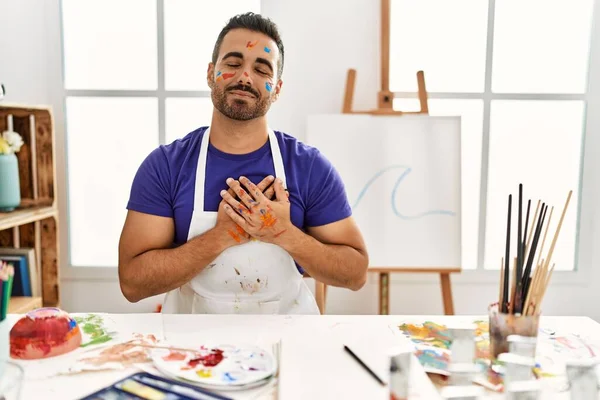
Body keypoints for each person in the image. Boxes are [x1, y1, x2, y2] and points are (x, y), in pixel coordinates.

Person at [118, 12, 368, 314]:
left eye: (261, 69)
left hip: (289, 345)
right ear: (211, 73)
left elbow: (355, 274)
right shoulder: (166, 166)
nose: (245, 77)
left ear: (276, 89)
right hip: (193, 349)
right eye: (233, 64)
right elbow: (132, 284)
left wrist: (283, 233)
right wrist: (220, 237)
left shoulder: (309, 167)